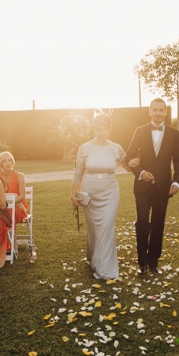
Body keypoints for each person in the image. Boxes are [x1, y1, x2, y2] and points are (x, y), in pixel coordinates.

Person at [124, 98, 179, 275]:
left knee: (158, 223)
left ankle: (153, 262)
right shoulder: (140, 131)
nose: (158, 113)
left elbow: (178, 160)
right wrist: (141, 172)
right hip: (142, 186)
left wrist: (176, 181)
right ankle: (142, 263)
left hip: (164, 187)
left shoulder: (174, 133)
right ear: (149, 111)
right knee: (142, 222)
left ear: (165, 112)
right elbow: (129, 156)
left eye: (161, 110)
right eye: (155, 110)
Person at [70, 113, 126, 280]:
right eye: (98, 129)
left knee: (106, 227)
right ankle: (93, 258)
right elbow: (78, 173)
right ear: (93, 129)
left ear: (110, 129)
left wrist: (138, 162)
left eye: (105, 129)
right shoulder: (84, 148)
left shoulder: (117, 148)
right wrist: (73, 194)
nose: (102, 132)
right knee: (94, 228)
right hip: (90, 193)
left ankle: (104, 269)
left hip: (110, 192)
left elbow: (129, 165)